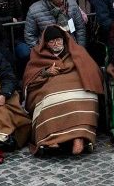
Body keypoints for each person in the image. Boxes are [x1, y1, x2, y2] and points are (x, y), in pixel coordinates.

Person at [23, 26, 103, 156]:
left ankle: (80, 137)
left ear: (64, 39)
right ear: (46, 43)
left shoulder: (76, 51)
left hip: (75, 82)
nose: (56, 44)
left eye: (58, 40)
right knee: (49, 100)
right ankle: (51, 138)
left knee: (85, 97)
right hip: (49, 85)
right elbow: (30, 78)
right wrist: (45, 72)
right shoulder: (38, 55)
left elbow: (90, 70)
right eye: (52, 41)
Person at [24, 0, 88, 52]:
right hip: (48, 51)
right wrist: (41, 52)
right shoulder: (34, 10)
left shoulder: (72, 5)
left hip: (71, 47)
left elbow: (80, 29)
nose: (61, 0)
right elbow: (30, 35)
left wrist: (80, 48)